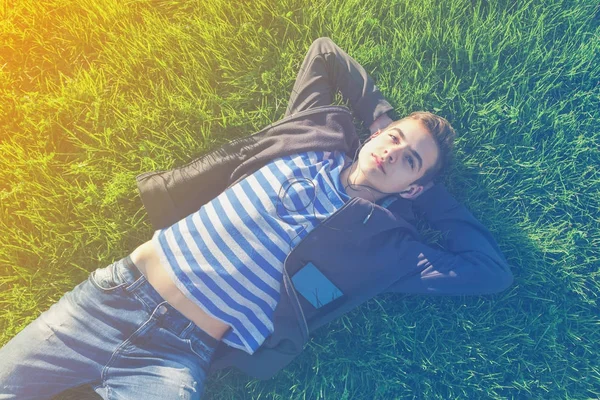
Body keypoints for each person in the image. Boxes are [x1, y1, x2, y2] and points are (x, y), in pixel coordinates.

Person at [0, 37, 513, 399]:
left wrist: (426, 196)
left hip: (176, 360)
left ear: (415, 186)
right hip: (109, 301)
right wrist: (380, 115)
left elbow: (489, 272)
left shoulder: (389, 248)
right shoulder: (311, 137)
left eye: (410, 161)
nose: (391, 153)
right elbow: (325, 53)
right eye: (393, 139)